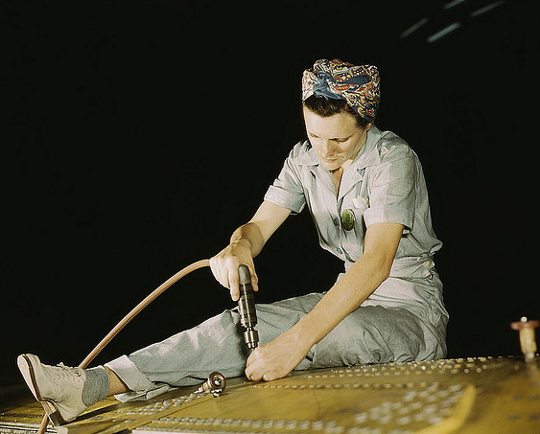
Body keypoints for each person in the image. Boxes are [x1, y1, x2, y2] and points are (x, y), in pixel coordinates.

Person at [17, 58, 449, 425]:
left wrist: (294, 343)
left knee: (330, 333)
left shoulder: (393, 159)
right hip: (346, 295)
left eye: (340, 139)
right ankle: (88, 386)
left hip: (408, 308)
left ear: (367, 123)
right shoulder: (304, 159)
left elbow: (375, 263)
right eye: (315, 136)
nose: (325, 151)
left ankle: (297, 340)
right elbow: (258, 227)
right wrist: (239, 246)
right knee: (238, 327)